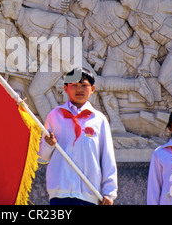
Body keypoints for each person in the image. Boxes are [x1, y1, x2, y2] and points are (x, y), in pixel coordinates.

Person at [39, 68, 118, 205]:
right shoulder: (55, 116)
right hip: (59, 193)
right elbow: (43, 156)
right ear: (66, 88)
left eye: (84, 85)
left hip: (89, 194)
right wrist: (49, 144)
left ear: (92, 89)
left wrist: (109, 192)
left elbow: (107, 157)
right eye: (74, 85)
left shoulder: (98, 119)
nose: (79, 89)